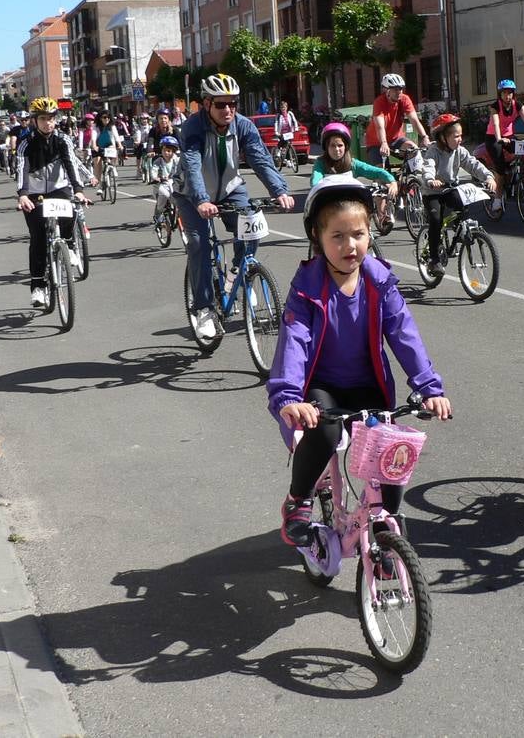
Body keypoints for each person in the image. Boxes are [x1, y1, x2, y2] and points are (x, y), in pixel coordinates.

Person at [267, 174, 451, 547]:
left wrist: (429, 388)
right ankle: (298, 500)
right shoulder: (306, 288)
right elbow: (294, 344)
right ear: (317, 239)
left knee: (390, 450)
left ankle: (387, 532)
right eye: (337, 236)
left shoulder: (379, 283)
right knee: (326, 431)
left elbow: (404, 335)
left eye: (359, 234)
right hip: (322, 388)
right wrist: (289, 399)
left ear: (370, 234)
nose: (350, 245)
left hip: (368, 386)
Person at [176, 73, 294, 340]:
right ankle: (204, 309)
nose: (228, 109)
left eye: (233, 103)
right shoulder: (192, 128)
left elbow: (260, 159)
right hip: (192, 194)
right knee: (199, 243)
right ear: (206, 104)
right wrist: (201, 200)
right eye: (220, 104)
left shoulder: (243, 126)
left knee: (251, 227)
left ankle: (236, 275)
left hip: (230, 188)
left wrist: (280, 190)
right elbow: (192, 166)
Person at [15, 97, 89, 308]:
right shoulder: (26, 143)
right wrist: (22, 194)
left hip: (59, 188)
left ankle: (69, 244)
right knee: (37, 238)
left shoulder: (63, 139)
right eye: (43, 119)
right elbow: (21, 168)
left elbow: (70, 164)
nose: (48, 123)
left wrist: (79, 190)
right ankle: (38, 286)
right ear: (34, 120)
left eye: (51, 118)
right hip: (34, 194)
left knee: (72, 209)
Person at [420, 113, 496, 277]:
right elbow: (428, 166)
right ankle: (434, 260)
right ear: (442, 137)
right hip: (432, 191)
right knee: (435, 220)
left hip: (449, 188)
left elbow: (473, 164)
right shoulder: (433, 151)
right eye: (456, 136)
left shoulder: (459, 151)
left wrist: (489, 176)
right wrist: (430, 179)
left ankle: (459, 230)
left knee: (462, 203)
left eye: (461, 135)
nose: (460, 139)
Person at [485, 78, 524, 211]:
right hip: (493, 137)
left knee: (523, 151)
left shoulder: (517, 105)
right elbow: (496, 123)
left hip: (509, 137)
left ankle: (518, 174)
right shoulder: (495, 106)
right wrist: (499, 138)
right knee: (500, 168)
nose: (507, 96)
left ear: (513, 94)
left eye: (510, 93)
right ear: (500, 94)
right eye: (504, 93)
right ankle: (497, 199)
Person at [364, 73, 430, 168]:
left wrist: (424, 137)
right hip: (377, 142)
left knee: (413, 149)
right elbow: (380, 126)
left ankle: (412, 178)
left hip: (396, 139)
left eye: (401, 89)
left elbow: (414, 120)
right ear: (386, 90)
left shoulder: (404, 99)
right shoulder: (379, 102)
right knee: (380, 172)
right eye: (395, 89)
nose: (399, 92)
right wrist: (383, 143)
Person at [150, 135, 181, 224]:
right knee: (163, 194)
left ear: (173, 152)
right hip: (161, 185)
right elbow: (154, 170)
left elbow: (183, 169)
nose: (166, 153)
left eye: (169, 151)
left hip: (173, 184)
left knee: (180, 198)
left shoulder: (176, 160)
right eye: (164, 150)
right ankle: (158, 213)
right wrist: (155, 177)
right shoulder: (158, 161)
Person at [92, 111, 122, 192]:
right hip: (98, 146)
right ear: (100, 118)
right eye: (104, 117)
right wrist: (94, 145)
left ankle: (113, 167)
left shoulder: (112, 126)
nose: (107, 119)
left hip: (108, 145)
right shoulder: (96, 126)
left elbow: (116, 136)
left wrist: (120, 145)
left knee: (114, 150)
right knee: (98, 163)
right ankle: (99, 185)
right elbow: (94, 136)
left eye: (108, 117)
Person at [274, 100, 298, 167]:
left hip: (289, 132)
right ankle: (278, 153)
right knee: (283, 143)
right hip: (281, 132)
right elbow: (276, 123)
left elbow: (294, 121)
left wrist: (296, 128)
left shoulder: (290, 114)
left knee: (288, 145)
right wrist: (276, 132)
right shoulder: (279, 115)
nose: (283, 109)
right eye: (282, 107)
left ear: (286, 107)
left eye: (284, 107)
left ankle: (288, 160)